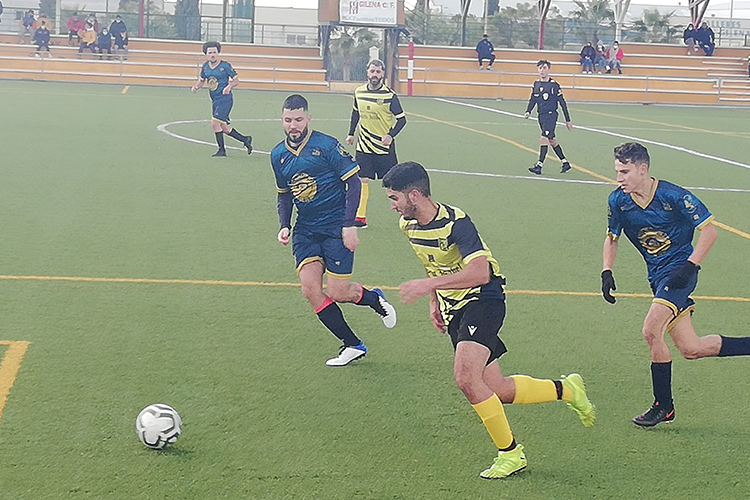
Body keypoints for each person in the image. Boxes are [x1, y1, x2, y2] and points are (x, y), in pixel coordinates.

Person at [382, 161, 594, 479]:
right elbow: (430, 262)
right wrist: (433, 301)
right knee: (498, 388)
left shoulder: (457, 222)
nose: (392, 206)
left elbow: (480, 273)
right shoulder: (408, 225)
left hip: (484, 298)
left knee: (466, 379)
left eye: (394, 198)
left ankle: (511, 453)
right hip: (454, 308)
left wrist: (427, 285)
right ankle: (567, 390)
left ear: (414, 195)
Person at [601, 142, 750, 428]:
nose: (619, 178)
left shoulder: (674, 195)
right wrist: (606, 270)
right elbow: (612, 237)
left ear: (642, 169)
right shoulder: (618, 201)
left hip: (680, 273)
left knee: (650, 330)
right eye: (617, 171)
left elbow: (709, 232)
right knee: (692, 348)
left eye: (624, 172)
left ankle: (663, 406)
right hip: (657, 277)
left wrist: (690, 266)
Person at [271, 94, 397, 366]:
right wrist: (285, 224)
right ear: (282, 120)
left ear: (308, 119)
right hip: (306, 231)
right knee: (310, 289)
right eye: (288, 120)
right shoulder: (277, 155)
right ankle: (352, 344)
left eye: (299, 119)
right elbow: (284, 194)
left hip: (335, 227)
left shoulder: (326, 145)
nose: (294, 125)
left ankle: (374, 299)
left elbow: (354, 183)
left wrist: (349, 224)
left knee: (339, 292)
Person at [345, 59, 406, 228]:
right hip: (364, 146)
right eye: (372, 71)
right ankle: (360, 217)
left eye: (378, 72)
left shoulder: (389, 95)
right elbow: (355, 114)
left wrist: (390, 135)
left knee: (394, 183)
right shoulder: (359, 92)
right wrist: (351, 134)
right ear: (367, 72)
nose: (374, 75)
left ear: (382, 74)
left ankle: (407, 214)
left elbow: (402, 120)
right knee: (362, 180)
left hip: (383, 148)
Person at [191, 41, 253, 157]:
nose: (212, 55)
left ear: (218, 53)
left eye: (214, 52)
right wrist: (196, 87)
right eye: (210, 53)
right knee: (223, 128)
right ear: (206, 54)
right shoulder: (205, 67)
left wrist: (229, 87)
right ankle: (245, 139)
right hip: (215, 100)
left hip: (225, 99)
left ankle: (221, 150)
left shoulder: (225, 66)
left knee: (214, 124)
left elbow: (236, 80)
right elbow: (202, 80)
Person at [524, 60, 572, 175]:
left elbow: (562, 102)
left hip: (551, 115)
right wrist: (528, 111)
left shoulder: (554, 85)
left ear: (548, 69)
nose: (542, 70)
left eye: (544, 68)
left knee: (543, 138)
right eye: (540, 68)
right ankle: (565, 162)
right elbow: (533, 99)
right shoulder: (536, 84)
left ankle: (539, 165)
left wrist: (567, 119)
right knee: (552, 140)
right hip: (541, 115)